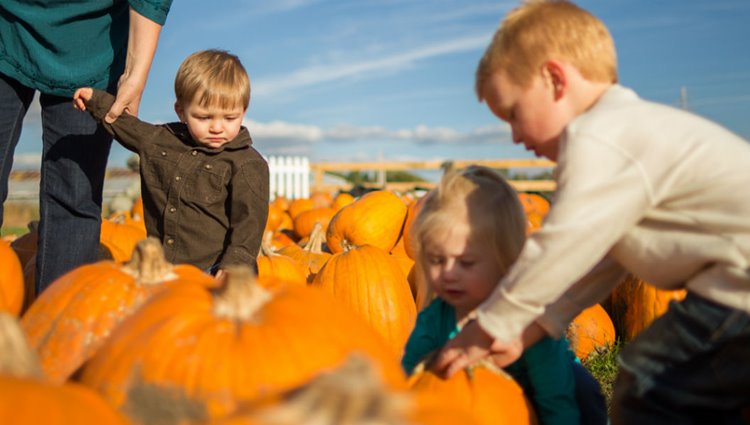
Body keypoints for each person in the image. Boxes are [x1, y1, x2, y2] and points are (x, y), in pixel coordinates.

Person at [431, 1, 750, 423]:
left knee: (648, 381)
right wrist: (537, 325)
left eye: (513, 113)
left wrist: (490, 324)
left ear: (554, 79)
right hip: (732, 286)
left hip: (737, 293)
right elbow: (601, 260)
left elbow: (560, 245)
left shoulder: (599, 137)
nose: (514, 136)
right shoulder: (627, 132)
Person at [402, 166, 606, 425]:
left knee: (581, 390)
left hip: (540, 398)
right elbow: (408, 377)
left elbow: (556, 396)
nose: (449, 273)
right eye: (437, 260)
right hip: (472, 404)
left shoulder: (525, 322)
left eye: (466, 262)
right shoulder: (434, 319)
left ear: (504, 262)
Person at [0, 0, 172, 294]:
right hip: (7, 22)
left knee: (74, 196)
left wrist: (136, 74)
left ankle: (57, 328)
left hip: (92, 45)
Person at [74, 49, 269, 277]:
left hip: (213, 270)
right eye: (204, 117)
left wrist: (235, 264)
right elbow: (127, 126)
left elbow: (250, 222)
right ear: (181, 112)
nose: (217, 127)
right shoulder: (161, 141)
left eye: (229, 118)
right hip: (161, 267)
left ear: (243, 112)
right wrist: (96, 101)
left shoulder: (246, 164)